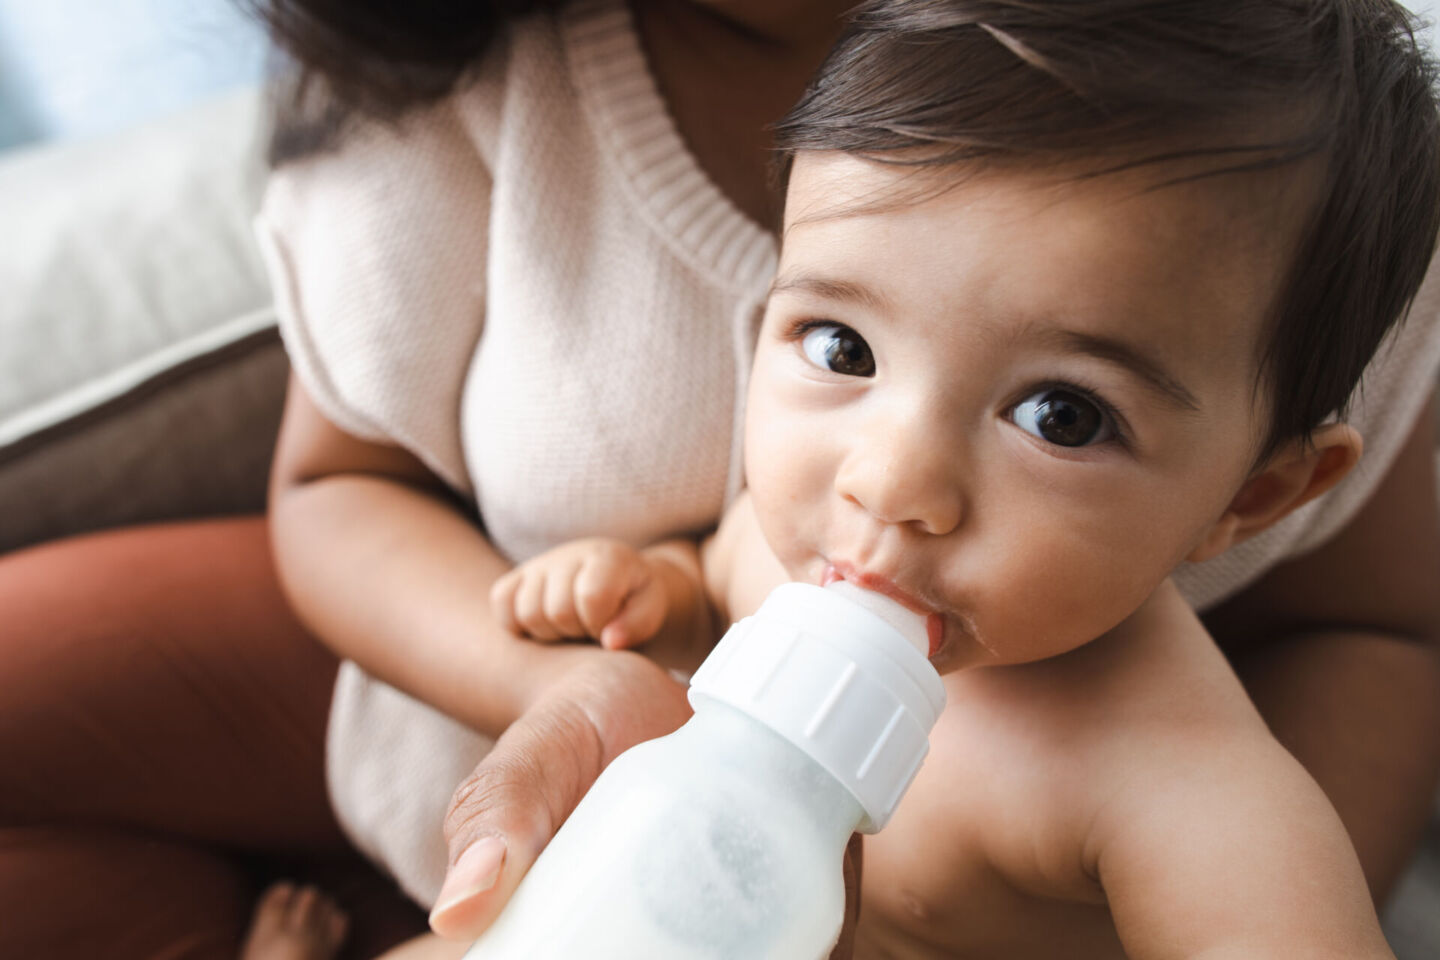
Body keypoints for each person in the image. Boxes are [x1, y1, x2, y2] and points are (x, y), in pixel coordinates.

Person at [0, 0, 1434, 958]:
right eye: (841, 344)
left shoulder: (1181, 787)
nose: (893, 480)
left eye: (1062, 415)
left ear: (1257, 497)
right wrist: (648, 598)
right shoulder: (808, 544)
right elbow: (707, 601)